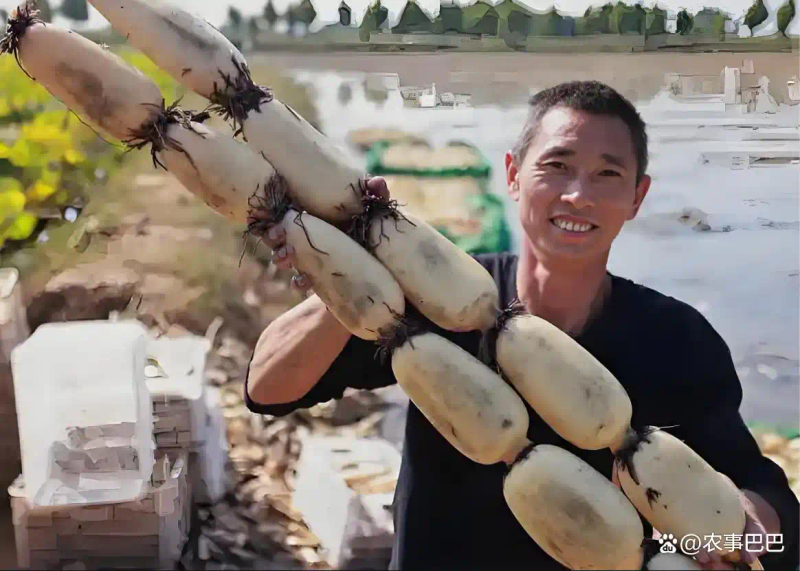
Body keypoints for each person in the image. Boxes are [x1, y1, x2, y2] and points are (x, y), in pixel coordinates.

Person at [244, 80, 799, 571]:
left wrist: (741, 529)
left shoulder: (675, 340)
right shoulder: (437, 300)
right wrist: (351, 268)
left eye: (608, 174)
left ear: (637, 197)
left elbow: (769, 508)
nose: (578, 195)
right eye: (556, 166)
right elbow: (267, 390)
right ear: (512, 175)